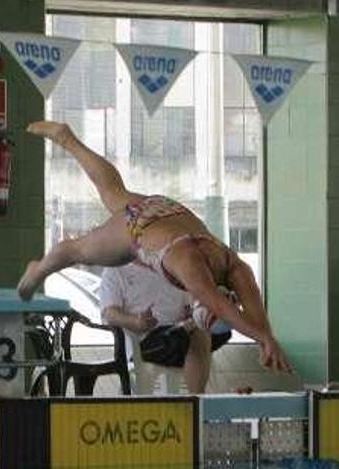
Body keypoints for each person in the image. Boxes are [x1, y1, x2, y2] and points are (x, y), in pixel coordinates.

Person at [17, 120, 291, 374]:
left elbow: (258, 322)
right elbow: (220, 304)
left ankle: (68, 140)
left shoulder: (235, 266)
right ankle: (38, 270)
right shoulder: (191, 265)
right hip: (137, 229)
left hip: (167, 210)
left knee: (113, 192)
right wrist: (263, 339)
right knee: (76, 250)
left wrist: (266, 341)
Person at [100, 261, 232, 394]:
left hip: (183, 335)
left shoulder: (175, 267)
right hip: (144, 344)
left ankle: (196, 401)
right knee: (191, 331)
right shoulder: (116, 271)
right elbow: (109, 313)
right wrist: (136, 321)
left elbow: (193, 303)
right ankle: (197, 402)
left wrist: (204, 309)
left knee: (206, 327)